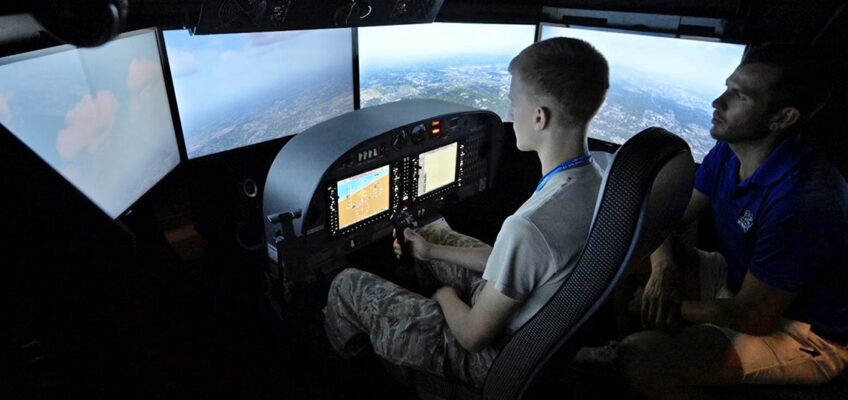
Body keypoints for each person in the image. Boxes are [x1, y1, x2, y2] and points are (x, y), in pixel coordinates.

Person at [322, 37, 609, 387]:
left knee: (344, 283)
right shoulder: (594, 184)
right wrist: (429, 252)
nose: (511, 114)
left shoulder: (530, 226)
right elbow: (512, 259)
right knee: (428, 233)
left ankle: (346, 374)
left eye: (513, 103)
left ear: (539, 117)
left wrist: (443, 297)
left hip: (495, 357)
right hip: (536, 325)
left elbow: (473, 337)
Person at [617, 42, 848, 398]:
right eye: (727, 87)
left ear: (782, 118)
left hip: (802, 329)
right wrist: (662, 269)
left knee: (641, 359)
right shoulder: (728, 151)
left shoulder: (805, 199)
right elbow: (666, 218)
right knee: (618, 257)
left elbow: (754, 316)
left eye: (738, 96)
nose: (717, 103)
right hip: (740, 282)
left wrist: (673, 307)